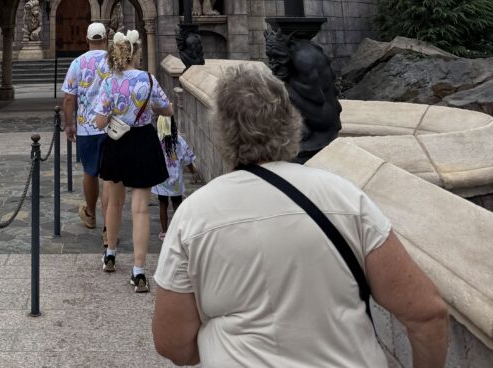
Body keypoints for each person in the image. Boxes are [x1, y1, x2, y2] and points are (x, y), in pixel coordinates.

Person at [152, 62, 449, 368]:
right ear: (291, 121)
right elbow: (428, 314)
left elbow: (173, 344)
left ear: (222, 132)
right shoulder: (345, 198)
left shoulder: (194, 216)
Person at [94, 29, 173, 293]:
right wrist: (150, 108)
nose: (139, 58)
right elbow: (168, 108)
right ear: (134, 53)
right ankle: (139, 272)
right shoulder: (148, 80)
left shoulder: (109, 81)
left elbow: (99, 120)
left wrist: (116, 113)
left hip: (117, 144)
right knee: (140, 208)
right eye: (138, 53)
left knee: (113, 203)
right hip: (142, 143)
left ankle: (110, 254)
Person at [61, 22, 110, 233]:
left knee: (90, 172)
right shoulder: (114, 61)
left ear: (87, 39)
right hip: (111, 127)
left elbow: (69, 98)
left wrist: (69, 125)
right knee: (110, 175)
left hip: (87, 128)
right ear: (106, 39)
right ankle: (111, 224)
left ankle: (90, 213)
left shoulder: (77, 63)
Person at [151, 115, 196, 240]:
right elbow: (188, 160)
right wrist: (193, 172)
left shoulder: (156, 141)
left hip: (161, 180)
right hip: (176, 181)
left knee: (163, 204)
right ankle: (177, 231)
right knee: (177, 204)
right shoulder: (179, 141)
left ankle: (164, 232)